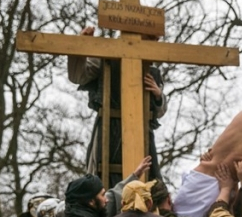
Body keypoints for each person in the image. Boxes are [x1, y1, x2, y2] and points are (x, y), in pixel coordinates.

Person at [68, 27, 168, 185]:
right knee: (102, 181)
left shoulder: (152, 72)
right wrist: (81, 46)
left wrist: (158, 95)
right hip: (109, 131)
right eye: (150, 37)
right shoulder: (106, 60)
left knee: (149, 181)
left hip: (142, 135)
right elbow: (78, 76)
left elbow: (159, 111)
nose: (154, 43)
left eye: (156, 39)